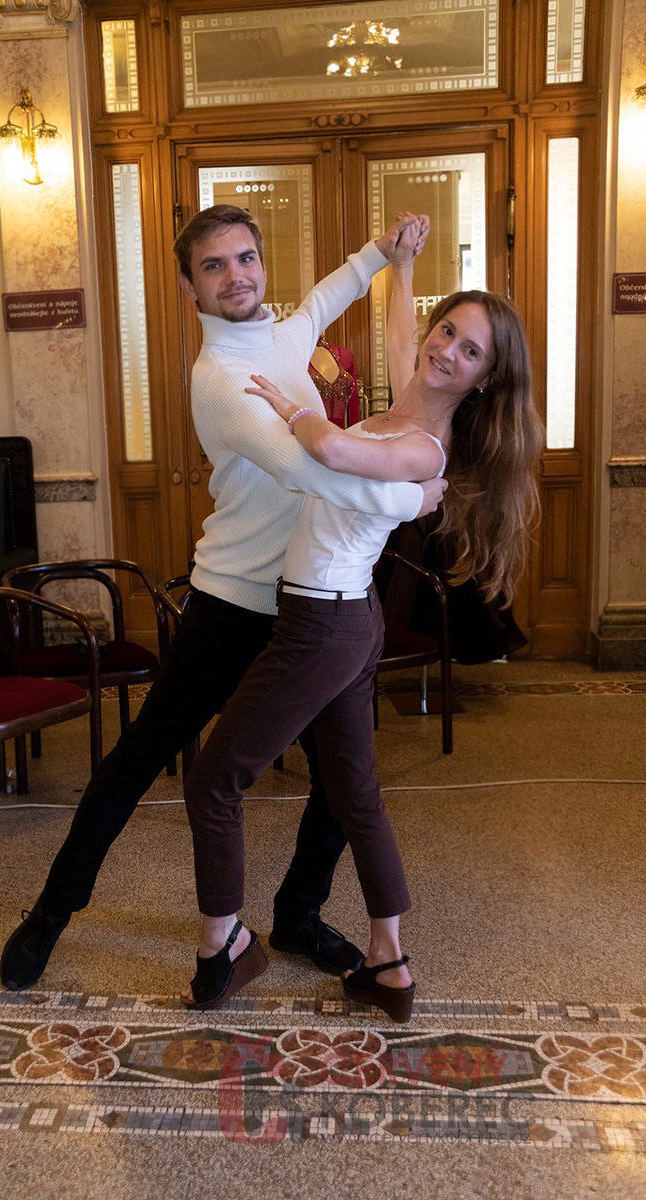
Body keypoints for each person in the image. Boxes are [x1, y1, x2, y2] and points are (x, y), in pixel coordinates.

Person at [0, 204, 447, 992]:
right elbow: (314, 472)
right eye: (213, 266)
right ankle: (52, 910)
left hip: (315, 605)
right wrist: (418, 495)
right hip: (233, 606)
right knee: (137, 761)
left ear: (261, 264)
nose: (235, 276)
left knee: (343, 782)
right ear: (189, 286)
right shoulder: (220, 381)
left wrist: (382, 250)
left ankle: (299, 915)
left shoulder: (284, 337)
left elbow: (325, 297)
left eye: (245, 258)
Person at [179, 218, 544, 1022]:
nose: (445, 350)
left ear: (486, 378)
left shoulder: (426, 445)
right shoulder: (414, 388)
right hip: (343, 618)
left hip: (322, 627)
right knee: (355, 795)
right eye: (446, 331)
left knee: (214, 779)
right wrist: (398, 264)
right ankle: (390, 960)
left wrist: (293, 410)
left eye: (470, 351)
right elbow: (400, 328)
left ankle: (221, 946)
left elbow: (335, 459)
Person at [308, 335, 361, 428]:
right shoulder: (295, 356)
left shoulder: (344, 355)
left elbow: (354, 407)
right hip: (309, 432)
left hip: (341, 433)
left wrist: (355, 433)